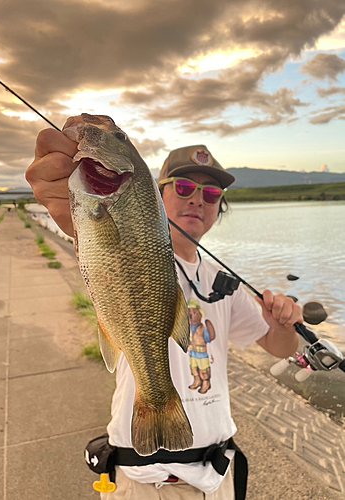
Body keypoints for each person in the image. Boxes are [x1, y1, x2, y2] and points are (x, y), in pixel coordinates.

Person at [26, 133, 303, 500]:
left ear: (220, 207)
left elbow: (279, 347)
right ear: (155, 193)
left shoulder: (223, 284)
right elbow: (83, 224)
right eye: (185, 186)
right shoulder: (133, 247)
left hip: (218, 476)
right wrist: (68, 194)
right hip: (147, 482)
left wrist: (283, 326)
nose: (197, 200)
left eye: (211, 194)